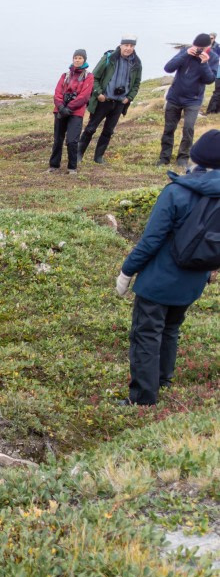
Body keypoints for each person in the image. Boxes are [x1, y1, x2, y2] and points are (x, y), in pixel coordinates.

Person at [116, 130, 220, 405]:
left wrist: (127, 271)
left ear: (196, 159)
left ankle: (142, 398)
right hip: (194, 280)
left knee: (146, 334)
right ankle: (162, 379)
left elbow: (151, 241)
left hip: (159, 280)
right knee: (171, 328)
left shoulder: (176, 192)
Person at [159, 34, 218, 169]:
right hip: (175, 97)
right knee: (169, 128)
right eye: (196, 47)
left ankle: (183, 158)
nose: (197, 50)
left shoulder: (213, 58)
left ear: (207, 48)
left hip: (193, 100)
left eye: (201, 48)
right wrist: (185, 54)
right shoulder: (184, 51)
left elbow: (209, 80)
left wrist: (204, 64)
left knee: (188, 129)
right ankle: (164, 158)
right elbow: (168, 68)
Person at [79, 37, 142, 164]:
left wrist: (129, 98)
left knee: (108, 131)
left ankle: (98, 157)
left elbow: (136, 84)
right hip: (103, 101)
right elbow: (94, 77)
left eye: (131, 46)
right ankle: (78, 154)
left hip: (119, 103)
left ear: (134, 47)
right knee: (91, 128)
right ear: (120, 45)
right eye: (126, 45)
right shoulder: (109, 58)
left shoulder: (137, 63)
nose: (128, 48)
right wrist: (98, 94)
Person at [48, 50, 94, 174]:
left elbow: (84, 96)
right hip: (60, 110)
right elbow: (57, 93)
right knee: (58, 139)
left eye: (80, 58)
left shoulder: (88, 76)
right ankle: (53, 165)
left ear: (84, 60)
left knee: (72, 140)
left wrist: (70, 107)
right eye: (75, 58)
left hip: (76, 112)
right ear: (73, 59)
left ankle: (72, 167)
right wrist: (61, 107)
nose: (77, 60)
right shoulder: (65, 75)